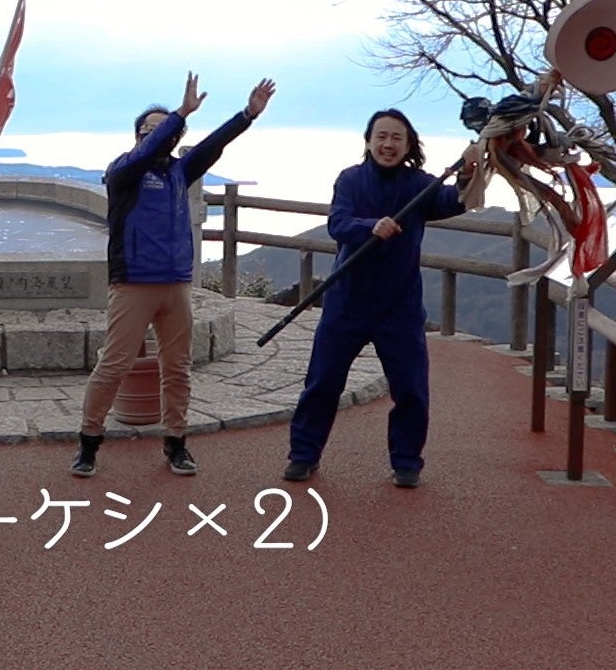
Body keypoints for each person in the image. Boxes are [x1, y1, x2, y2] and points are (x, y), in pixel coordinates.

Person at [73, 72, 276, 478]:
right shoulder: (123, 172)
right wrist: (180, 113)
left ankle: (176, 443)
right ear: (138, 138)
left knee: (177, 367)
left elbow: (212, 146)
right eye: (148, 130)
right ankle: (89, 443)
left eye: (162, 128)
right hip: (133, 284)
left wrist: (247, 115)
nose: (157, 135)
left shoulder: (179, 173)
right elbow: (148, 149)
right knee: (113, 364)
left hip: (176, 284)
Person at [282, 109, 480, 489]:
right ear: (369, 141)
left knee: (410, 388)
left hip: (400, 306)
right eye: (381, 137)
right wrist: (368, 226)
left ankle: (407, 462)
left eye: (397, 138)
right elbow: (337, 223)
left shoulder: (419, 184)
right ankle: (303, 455)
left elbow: (453, 201)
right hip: (347, 300)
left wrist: (468, 171)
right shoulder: (351, 180)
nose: (388, 144)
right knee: (322, 382)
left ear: (408, 145)